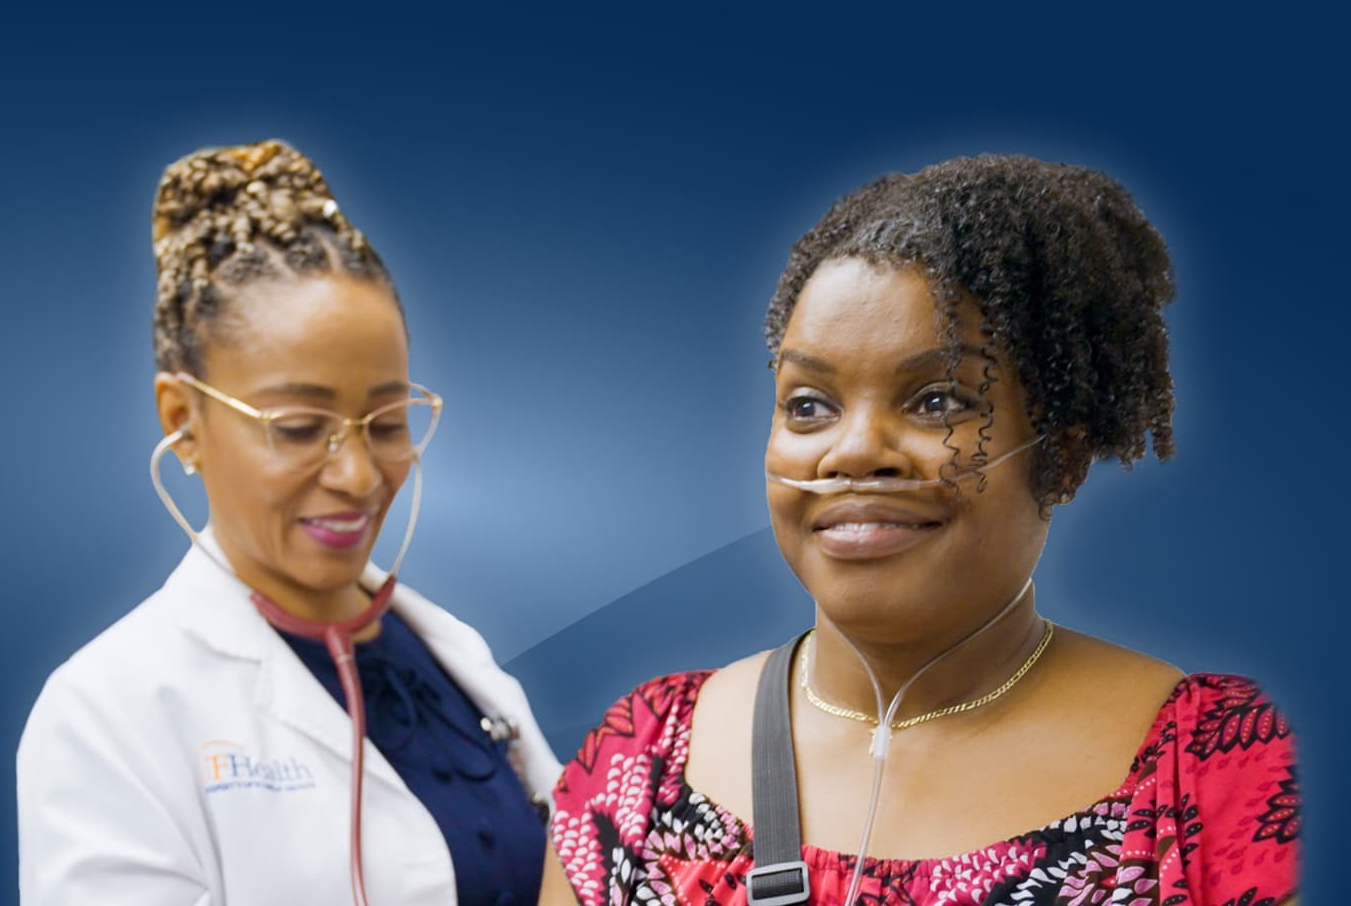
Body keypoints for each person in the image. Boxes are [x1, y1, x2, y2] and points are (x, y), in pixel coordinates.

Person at [543, 155, 1300, 905]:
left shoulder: (1213, 771)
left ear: (1063, 460)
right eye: (809, 404)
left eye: (937, 401)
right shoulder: (636, 763)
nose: (855, 451)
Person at [19, 141, 561, 906]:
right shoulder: (109, 715)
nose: (358, 475)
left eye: (387, 420)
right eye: (300, 428)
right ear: (183, 419)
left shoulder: (457, 661)